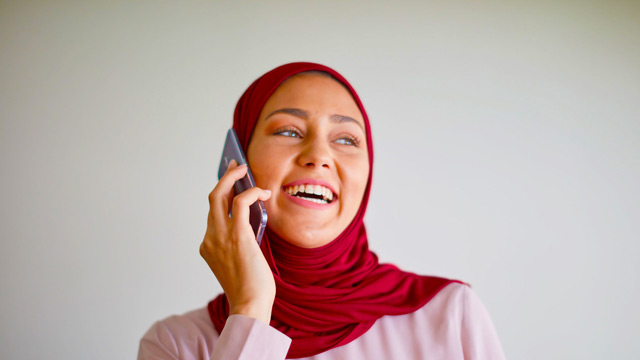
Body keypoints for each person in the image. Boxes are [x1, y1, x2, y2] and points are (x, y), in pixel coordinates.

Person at [138, 62, 506, 359]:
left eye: (345, 139)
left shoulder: (451, 316)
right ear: (239, 163)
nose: (318, 156)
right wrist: (250, 310)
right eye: (288, 131)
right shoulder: (175, 345)